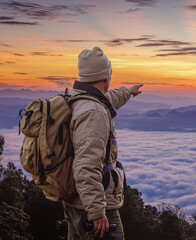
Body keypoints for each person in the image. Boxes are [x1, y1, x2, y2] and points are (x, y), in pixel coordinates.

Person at [63, 46, 143, 239]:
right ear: (106, 77)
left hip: (76, 201)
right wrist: (97, 213)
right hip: (95, 205)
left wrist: (128, 92)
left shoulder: (79, 100)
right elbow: (86, 166)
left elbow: (108, 99)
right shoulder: (94, 113)